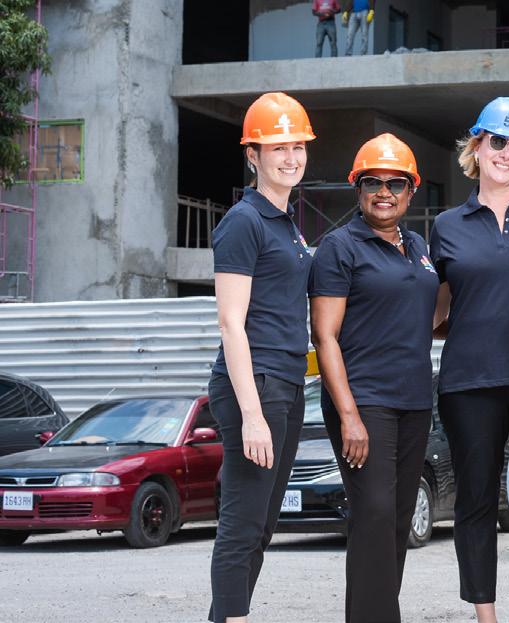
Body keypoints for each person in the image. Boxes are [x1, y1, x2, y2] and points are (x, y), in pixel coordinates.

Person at [429, 97, 509, 623]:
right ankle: (485, 616)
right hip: (469, 384)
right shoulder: (447, 225)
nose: (507, 153)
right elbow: (435, 310)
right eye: (498, 141)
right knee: (477, 502)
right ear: (477, 146)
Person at [308, 133, 439, 623]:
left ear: (411, 190)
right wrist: (349, 416)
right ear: (357, 189)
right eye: (373, 183)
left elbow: (428, 317)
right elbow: (325, 336)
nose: (385, 192)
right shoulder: (339, 247)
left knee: (399, 518)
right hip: (364, 401)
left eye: (396, 183)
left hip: (414, 400)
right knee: (375, 514)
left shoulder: (418, 246)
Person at [207, 92, 316, 623]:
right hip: (256, 385)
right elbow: (231, 323)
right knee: (243, 523)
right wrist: (251, 414)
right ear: (253, 155)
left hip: (286, 384)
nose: (291, 157)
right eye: (278, 147)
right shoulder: (244, 221)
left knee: (263, 524)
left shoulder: (285, 223)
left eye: (298, 146)